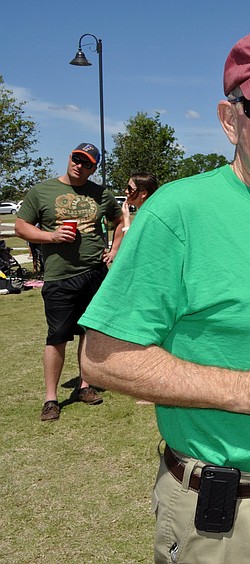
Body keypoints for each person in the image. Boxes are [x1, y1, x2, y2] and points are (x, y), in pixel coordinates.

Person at [78, 32, 250, 564]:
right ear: (230, 120)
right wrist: (248, 390)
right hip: (225, 518)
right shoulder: (180, 212)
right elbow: (101, 357)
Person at [15, 143, 124, 421]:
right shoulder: (42, 191)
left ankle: (84, 386)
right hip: (60, 276)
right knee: (57, 337)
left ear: (94, 168)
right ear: (69, 157)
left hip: (94, 273)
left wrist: (113, 249)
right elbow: (21, 226)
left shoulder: (102, 194)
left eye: (87, 163)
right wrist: (51, 236)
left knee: (90, 333)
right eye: (77, 159)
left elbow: (119, 220)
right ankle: (51, 398)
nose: (79, 165)